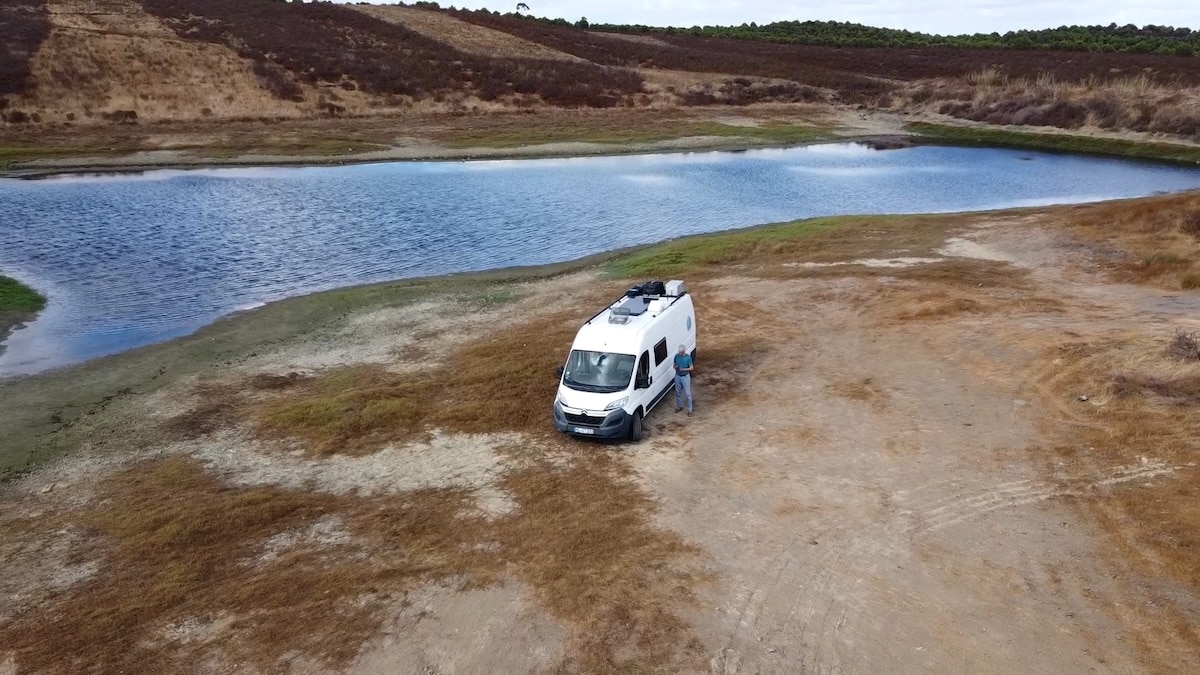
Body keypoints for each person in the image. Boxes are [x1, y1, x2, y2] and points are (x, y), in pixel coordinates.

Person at [673, 345, 694, 416]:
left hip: (685, 376)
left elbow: (691, 368)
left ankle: (690, 410)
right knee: (678, 392)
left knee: (688, 394)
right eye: (679, 352)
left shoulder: (688, 358)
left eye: (681, 352)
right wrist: (675, 367)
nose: (680, 354)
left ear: (684, 351)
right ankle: (680, 406)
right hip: (678, 376)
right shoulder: (676, 356)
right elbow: (674, 365)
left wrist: (684, 369)